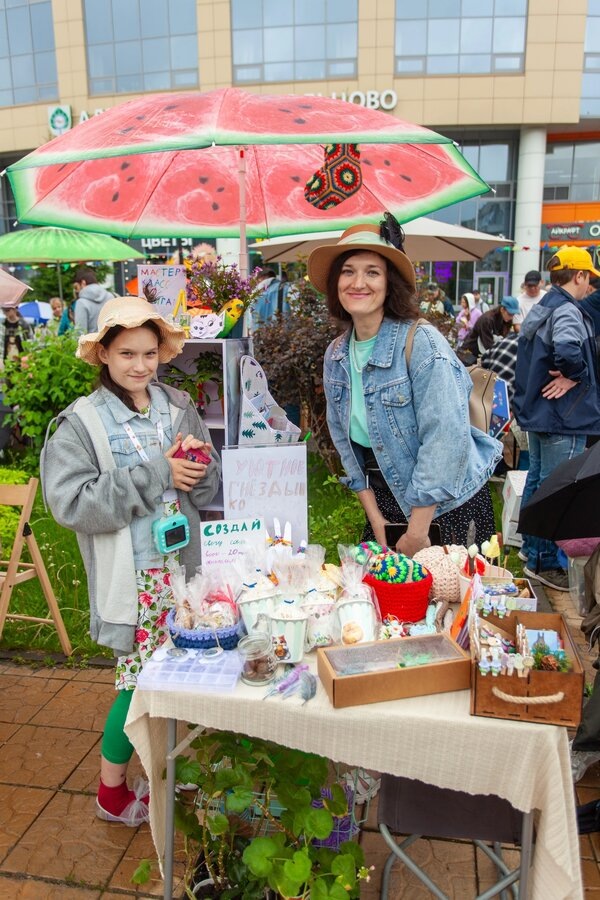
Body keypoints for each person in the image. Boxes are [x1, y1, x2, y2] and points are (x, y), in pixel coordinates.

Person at [41, 296, 221, 825]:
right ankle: (112, 791)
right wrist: (159, 473)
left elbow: (207, 486)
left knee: (184, 673)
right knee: (137, 683)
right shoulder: (81, 423)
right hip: (136, 577)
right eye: (126, 354)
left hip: (184, 569)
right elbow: (71, 504)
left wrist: (198, 466)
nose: (140, 366)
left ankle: (171, 767)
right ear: (102, 354)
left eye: (149, 353)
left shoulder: (177, 405)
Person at [307, 218, 501, 555]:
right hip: (385, 507)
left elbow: (443, 438)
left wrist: (417, 531)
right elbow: (345, 445)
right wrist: (376, 519)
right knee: (377, 589)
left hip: (446, 507)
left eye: (372, 272)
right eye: (348, 271)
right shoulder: (336, 355)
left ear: (389, 283)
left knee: (446, 591)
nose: (358, 283)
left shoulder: (421, 342)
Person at [513, 246, 600, 591]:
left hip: (544, 413)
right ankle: (544, 562)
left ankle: (532, 551)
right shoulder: (567, 309)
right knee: (557, 489)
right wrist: (576, 376)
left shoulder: (545, 305)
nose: (590, 285)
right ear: (579, 275)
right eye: (589, 278)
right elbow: (566, 350)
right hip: (563, 415)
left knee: (538, 483)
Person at [459, 296, 519, 362]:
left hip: (482, 353)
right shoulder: (487, 319)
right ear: (502, 309)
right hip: (469, 352)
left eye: (513, 315)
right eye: (510, 314)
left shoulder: (506, 321)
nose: (511, 317)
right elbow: (488, 344)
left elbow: (502, 341)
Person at [72, 267, 114, 333]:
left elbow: (80, 332)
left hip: (92, 339)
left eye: (76, 287)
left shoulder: (81, 302)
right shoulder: (110, 297)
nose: (76, 291)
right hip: (112, 338)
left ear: (83, 283)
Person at [0, 300, 33, 365]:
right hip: (7, 360)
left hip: (23, 360)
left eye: (7, 310)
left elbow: (31, 340)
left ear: (15, 309)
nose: (5, 312)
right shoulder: (2, 324)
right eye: (3, 310)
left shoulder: (24, 324)